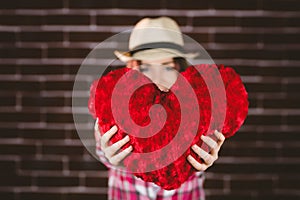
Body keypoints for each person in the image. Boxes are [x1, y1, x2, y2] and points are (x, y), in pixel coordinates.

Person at [92, 17, 226, 200]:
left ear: (179, 68)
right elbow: (102, 143)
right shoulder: (115, 110)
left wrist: (203, 156)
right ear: (132, 69)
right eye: (147, 67)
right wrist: (108, 151)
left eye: (166, 67)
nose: (157, 78)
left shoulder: (197, 111)